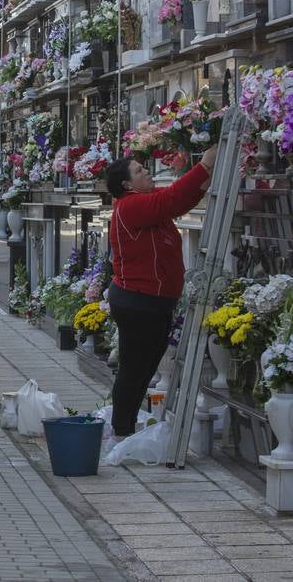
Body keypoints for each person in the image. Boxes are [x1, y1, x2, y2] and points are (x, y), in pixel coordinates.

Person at [104, 145, 217, 439]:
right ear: (127, 184)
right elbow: (172, 199)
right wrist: (203, 166)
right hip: (138, 300)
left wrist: (204, 179)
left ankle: (126, 425)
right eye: (140, 171)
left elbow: (178, 202)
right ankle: (122, 428)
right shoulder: (130, 206)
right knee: (134, 367)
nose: (147, 172)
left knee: (145, 366)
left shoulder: (143, 201)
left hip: (152, 302)